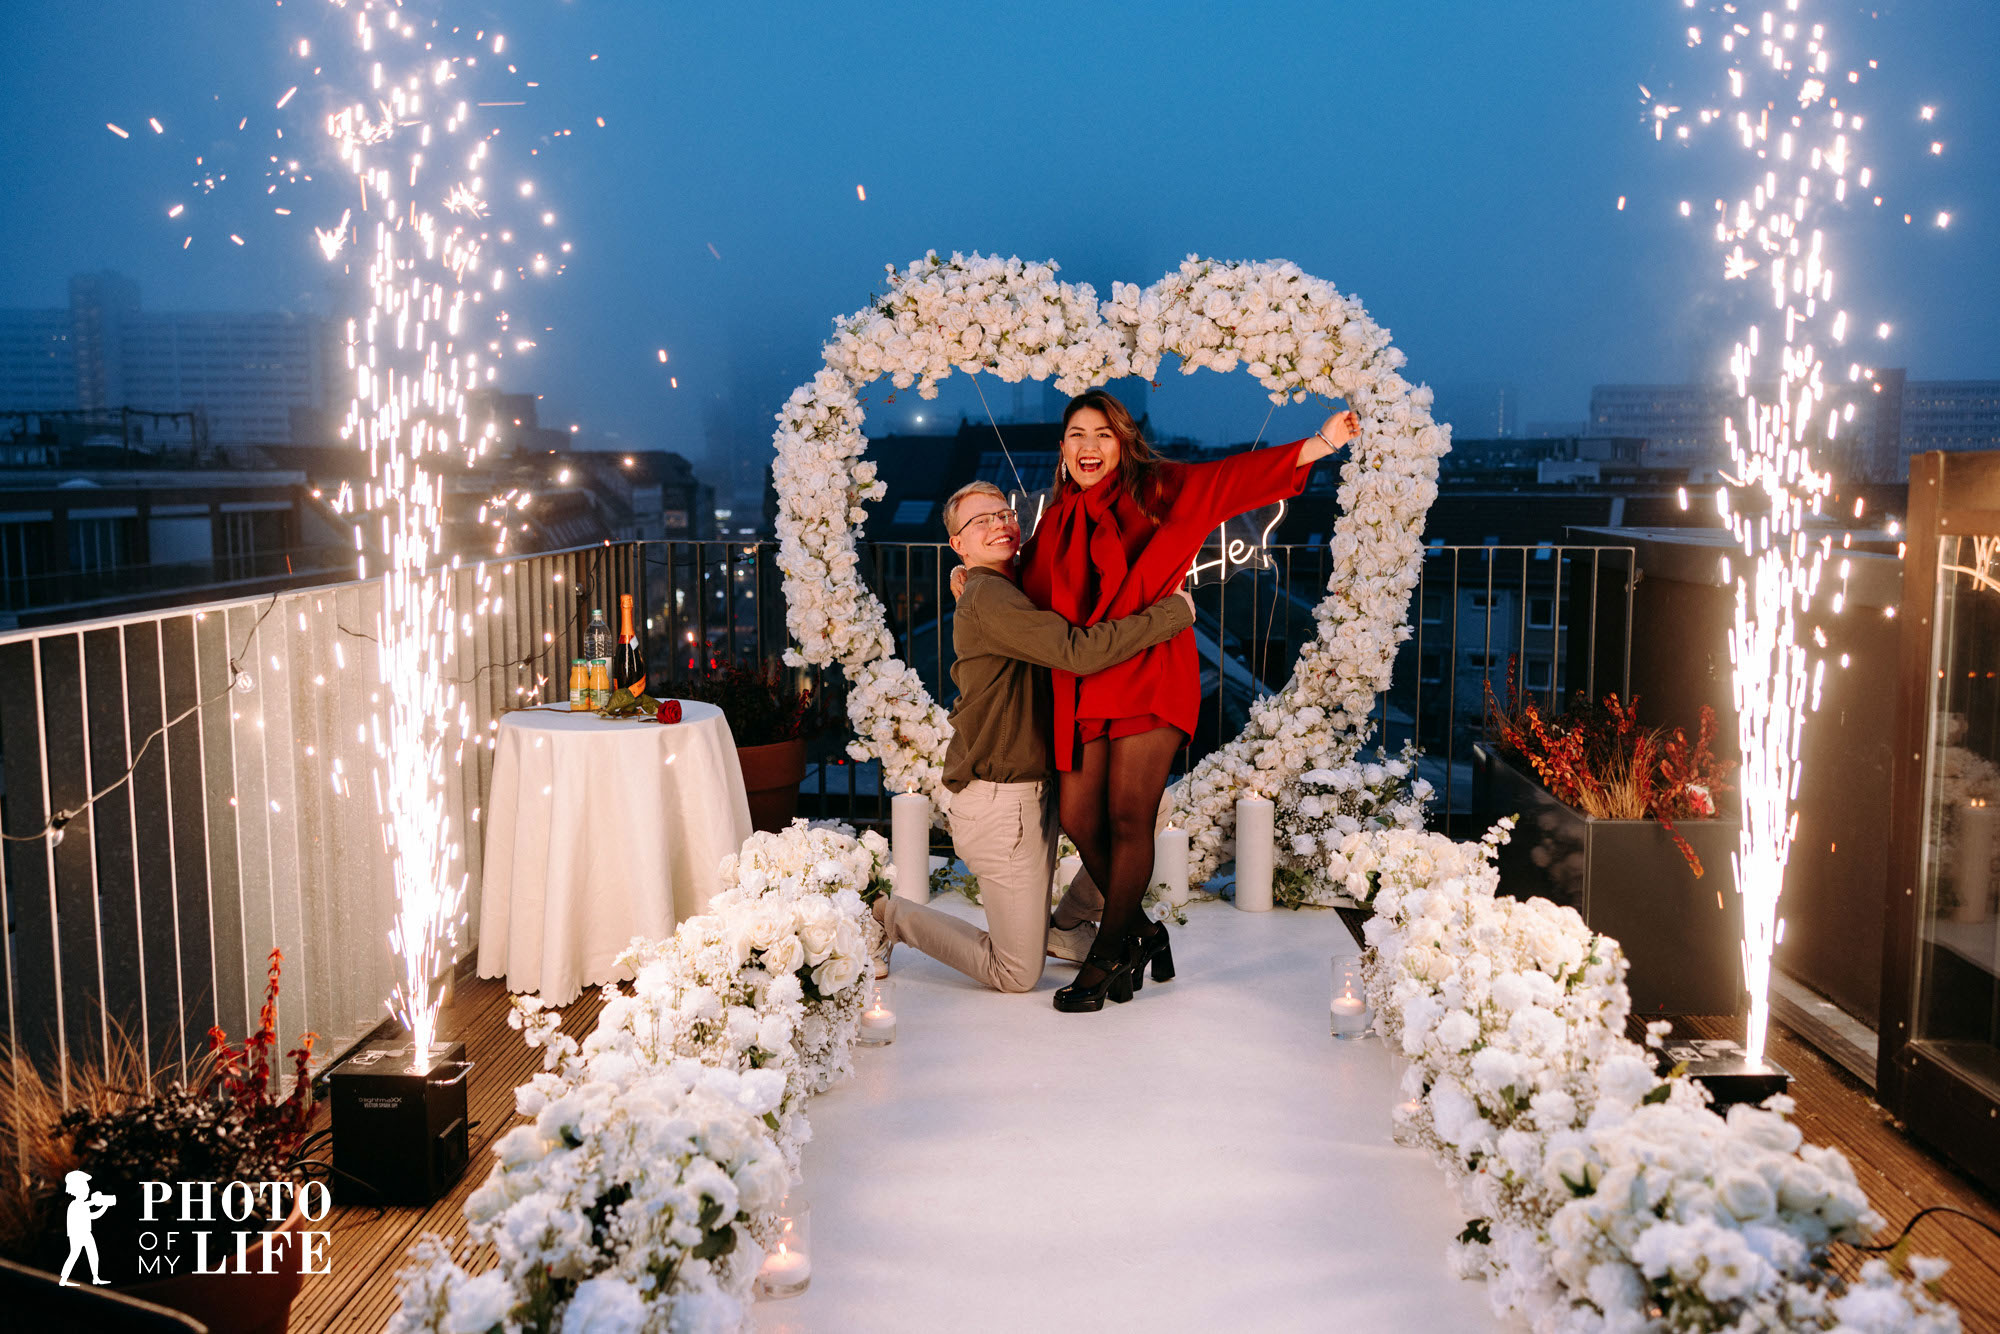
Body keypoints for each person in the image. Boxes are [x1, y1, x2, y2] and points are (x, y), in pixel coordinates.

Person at [1019, 390, 1360, 1011]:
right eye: (1076, 435)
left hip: (1150, 665)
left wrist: (1322, 443)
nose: (1088, 447)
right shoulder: (1057, 517)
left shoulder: (1160, 488)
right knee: (1076, 817)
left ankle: (1106, 958)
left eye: (1102, 434)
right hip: (1085, 677)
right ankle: (1142, 935)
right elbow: (1030, 592)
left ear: (1123, 443)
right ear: (1062, 448)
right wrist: (976, 575)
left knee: (1128, 816)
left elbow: (1233, 478)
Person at [871, 480, 1194, 998]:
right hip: (1003, 803)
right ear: (959, 544)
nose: (998, 523)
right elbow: (1077, 650)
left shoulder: (1012, 582)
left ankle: (1067, 929)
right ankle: (889, 917)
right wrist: (1170, 616)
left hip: (1039, 785)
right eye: (980, 521)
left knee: (1151, 808)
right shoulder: (989, 595)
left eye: (1003, 514)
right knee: (1017, 974)